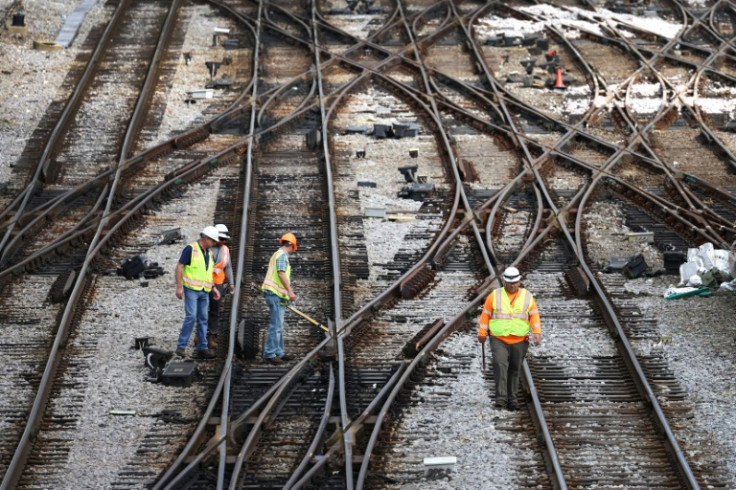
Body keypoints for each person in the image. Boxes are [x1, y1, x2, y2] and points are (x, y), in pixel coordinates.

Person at [478, 266, 541, 411]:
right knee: (500, 365)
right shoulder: (495, 295)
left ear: (519, 281)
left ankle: (512, 399)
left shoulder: (527, 296)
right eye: (509, 282)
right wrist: (482, 333)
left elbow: (534, 315)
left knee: (514, 370)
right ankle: (501, 398)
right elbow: (485, 314)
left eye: (515, 282)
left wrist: (536, 332)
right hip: (498, 338)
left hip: (519, 339)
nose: (512, 285)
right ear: (505, 282)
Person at [175, 226, 221, 359]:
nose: (214, 244)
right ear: (206, 239)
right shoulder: (191, 249)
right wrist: (179, 287)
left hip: (204, 290)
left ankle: (202, 347)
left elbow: (207, 274)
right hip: (192, 289)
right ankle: (181, 346)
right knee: (191, 316)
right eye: (212, 241)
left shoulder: (209, 253)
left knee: (203, 319)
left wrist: (213, 288)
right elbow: (179, 267)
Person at [261, 233, 298, 365]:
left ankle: (279, 352)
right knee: (276, 326)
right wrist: (290, 291)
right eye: (294, 247)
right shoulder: (282, 255)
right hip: (274, 294)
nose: (294, 250)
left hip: (276, 295)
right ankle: (270, 354)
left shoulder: (278, 254)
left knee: (279, 325)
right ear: (290, 245)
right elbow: (281, 273)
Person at [207, 223, 235, 349]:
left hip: (217, 284)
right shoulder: (207, 249)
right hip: (204, 282)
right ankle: (200, 335)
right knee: (201, 311)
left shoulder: (225, 250)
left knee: (215, 311)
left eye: (224, 239)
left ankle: (212, 336)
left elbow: (228, 267)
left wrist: (231, 283)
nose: (223, 241)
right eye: (221, 239)